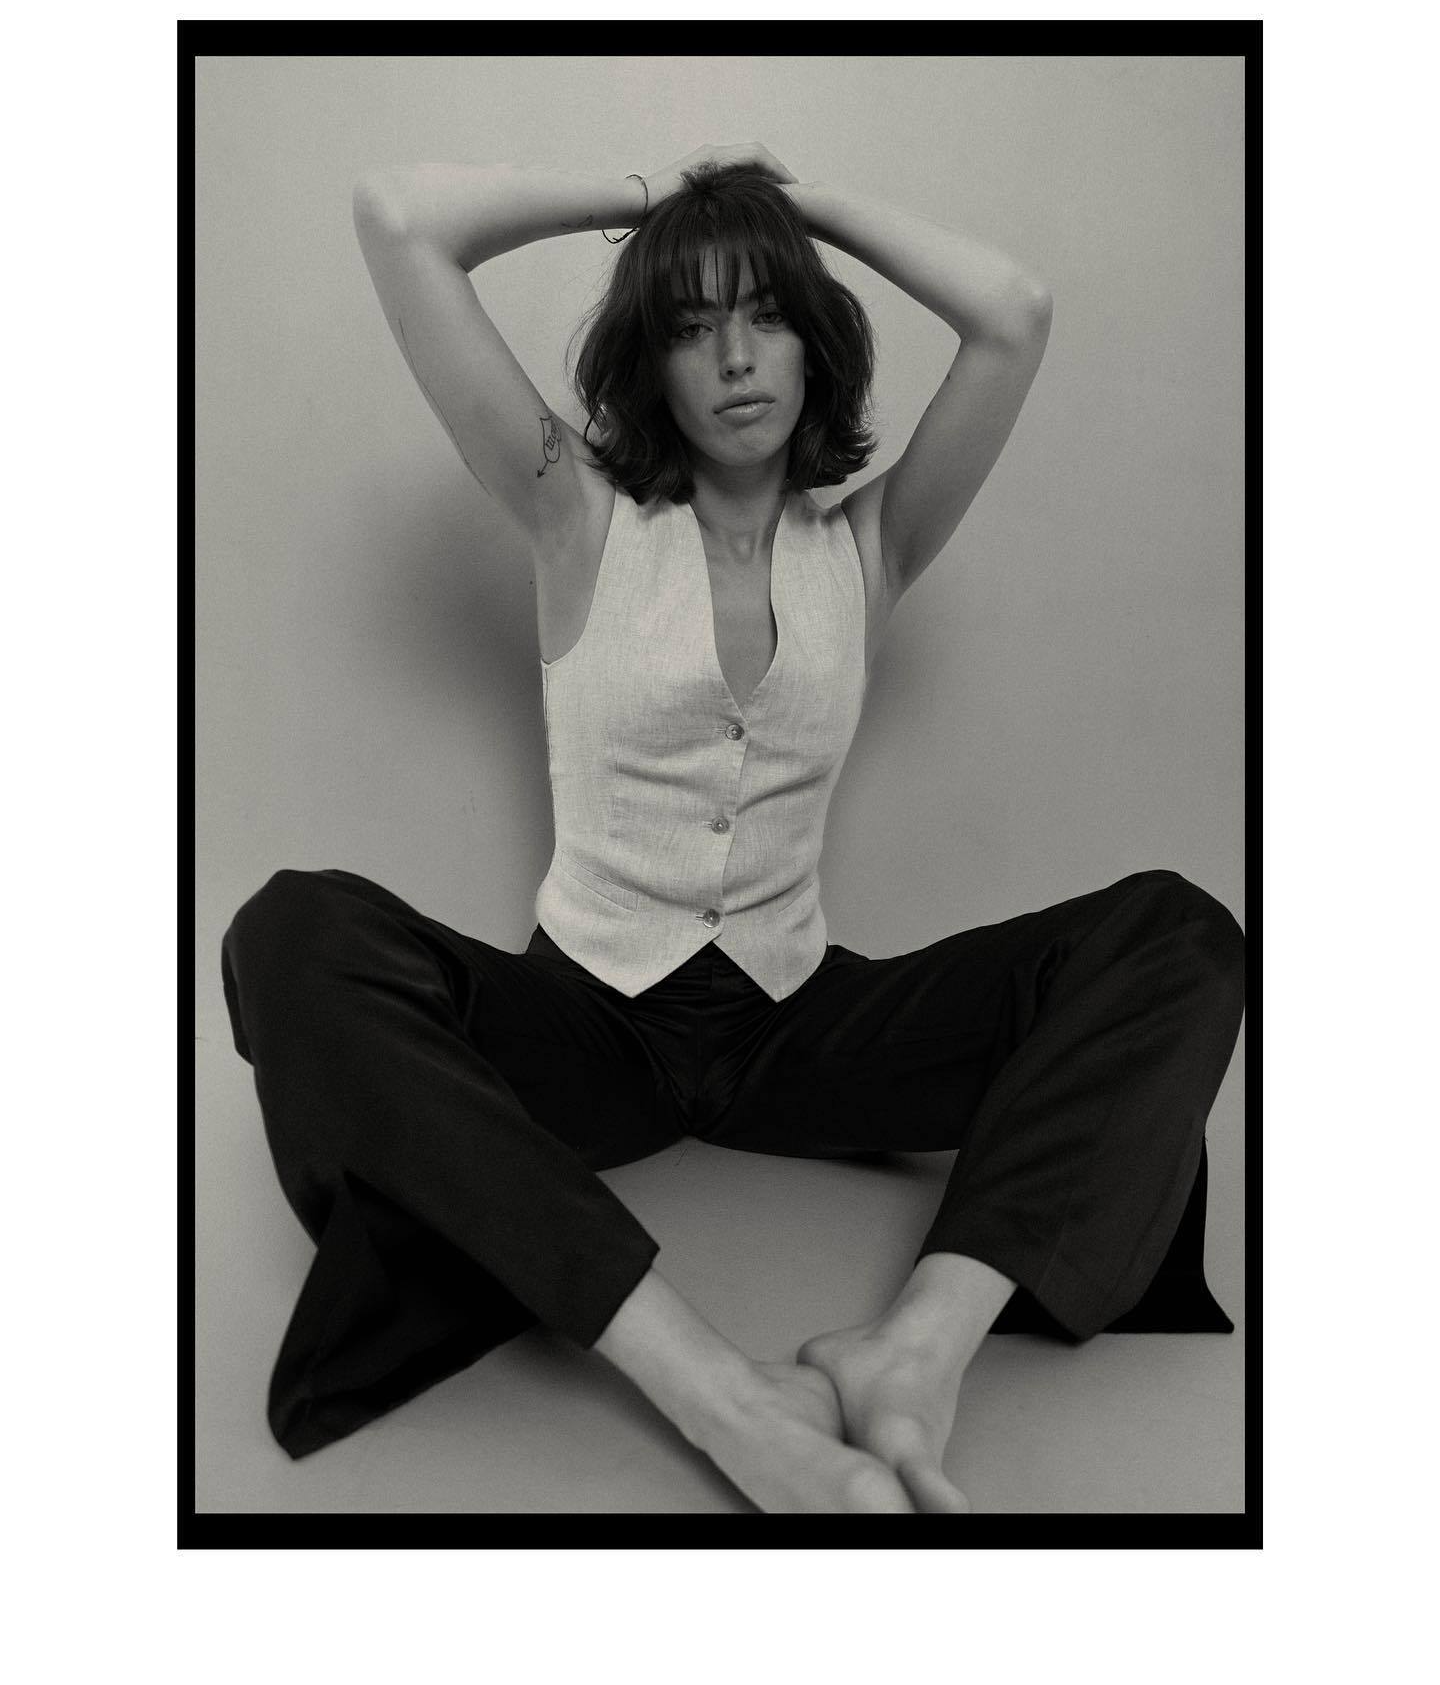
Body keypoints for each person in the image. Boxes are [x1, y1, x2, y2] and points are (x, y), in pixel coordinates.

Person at [220, 145, 1246, 1514]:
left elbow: (1014, 311)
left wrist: (782, 212)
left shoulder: (871, 547)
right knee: (288, 931)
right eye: (693, 327)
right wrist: (658, 207)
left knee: (1180, 934)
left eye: (767, 315)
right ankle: (719, 1393)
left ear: (816, 343)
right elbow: (399, 221)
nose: (738, 358)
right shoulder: (577, 516)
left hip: (796, 1025)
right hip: (586, 1025)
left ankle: (912, 1353)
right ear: (654, 365)